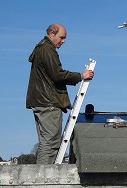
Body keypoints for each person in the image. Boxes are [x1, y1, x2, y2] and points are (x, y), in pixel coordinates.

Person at [26, 23, 94, 164]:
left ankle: (42, 176)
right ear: (51, 34)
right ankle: (44, 178)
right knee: (50, 144)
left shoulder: (42, 49)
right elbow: (57, 74)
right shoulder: (47, 49)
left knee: (47, 143)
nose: (63, 41)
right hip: (48, 101)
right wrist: (81, 76)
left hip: (41, 101)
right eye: (61, 37)